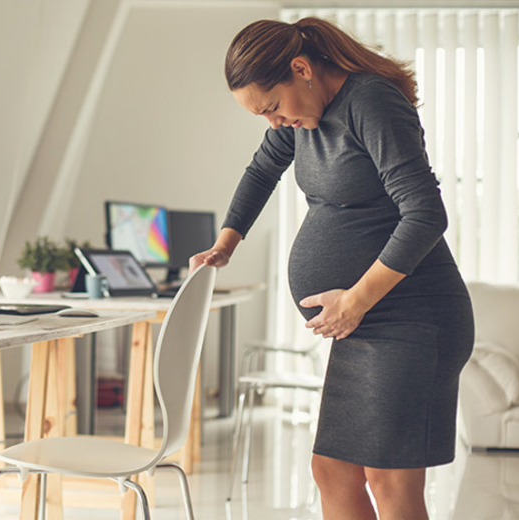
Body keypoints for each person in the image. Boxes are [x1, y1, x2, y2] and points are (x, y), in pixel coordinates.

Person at [189, 18, 474, 519]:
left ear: (301, 69)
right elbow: (261, 170)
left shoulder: (371, 102)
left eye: (272, 107)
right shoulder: (300, 119)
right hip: (362, 322)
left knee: (389, 480)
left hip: (412, 317)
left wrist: (356, 300)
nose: (274, 122)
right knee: (332, 471)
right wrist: (226, 242)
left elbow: (426, 213)